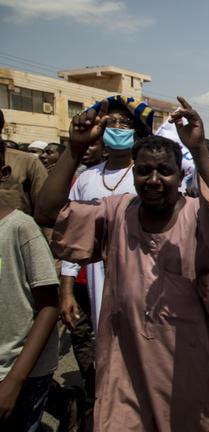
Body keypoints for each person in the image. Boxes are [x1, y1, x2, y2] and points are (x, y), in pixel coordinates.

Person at [35, 96, 209, 431]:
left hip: (192, 364)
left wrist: (199, 151)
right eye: (144, 171)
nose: (153, 180)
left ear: (181, 176)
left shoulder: (198, 215)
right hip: (127, 362)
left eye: (164, 171)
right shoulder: (117, 212)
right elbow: (49, 213)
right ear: (134, 174)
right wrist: (74, 150)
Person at [58, 96, 152, 406]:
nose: (116, 129)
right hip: (98, 282)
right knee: (107, 354)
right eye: (110, 123)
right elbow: (74, 241)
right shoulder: (85, 180)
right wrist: (68, 291)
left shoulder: (148, 175)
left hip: (143, 282)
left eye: (124, 124)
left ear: (136, 132)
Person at [0, 141, 60, 431]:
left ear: (4, 174)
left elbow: (48, 305)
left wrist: (14, 380)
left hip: (19, 370)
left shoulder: (20, 228)